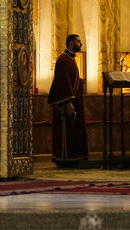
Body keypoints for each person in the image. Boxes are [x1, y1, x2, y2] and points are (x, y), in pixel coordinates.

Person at [48, 34, 88, 167]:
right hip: (66, 103)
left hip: (74, 100)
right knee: (67, 132)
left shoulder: (70, 59)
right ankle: (65, 159)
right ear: (71, 43)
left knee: (75, 132)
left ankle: (74, 158)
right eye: (78, 41)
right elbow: (63, 82)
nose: (80, 43)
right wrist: (68, 102)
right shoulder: (63, 60)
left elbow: (70, 80)